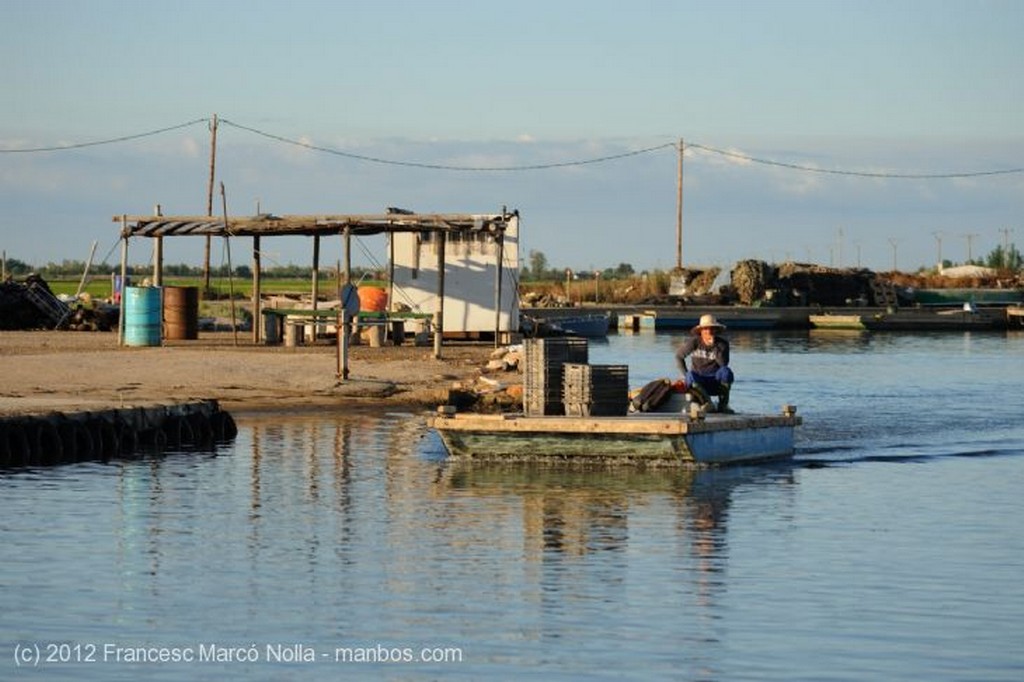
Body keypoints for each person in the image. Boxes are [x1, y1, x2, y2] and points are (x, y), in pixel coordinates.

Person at [675, 313, 734, 413]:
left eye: (711, 329)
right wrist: (685, 375)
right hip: (699, 380)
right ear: (701, 331)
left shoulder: (722, 344)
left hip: (715, 380)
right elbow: (679, 357)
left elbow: (723, 364)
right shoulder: (694, 342)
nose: (709, 332)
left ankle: (723, 405)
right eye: (706, 329)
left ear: (715, 330)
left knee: (726, 372)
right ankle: (707, 403)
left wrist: (715, 347)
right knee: (690, 375)